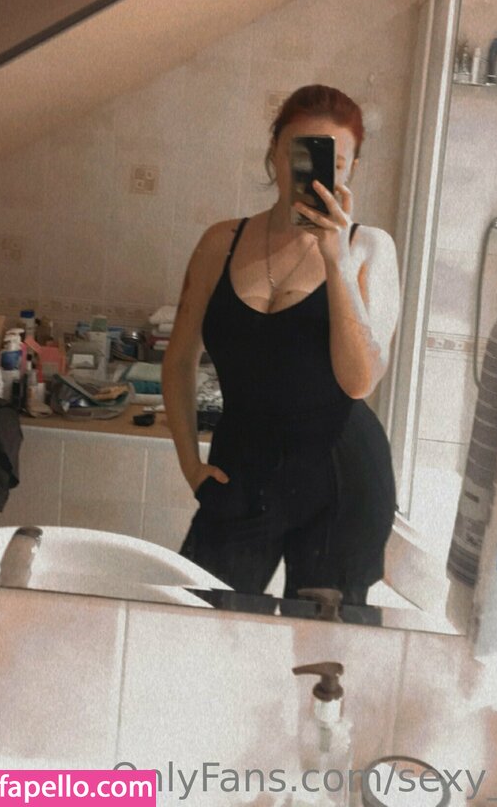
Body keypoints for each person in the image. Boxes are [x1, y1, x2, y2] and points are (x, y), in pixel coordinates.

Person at [162, 84, 400, 605]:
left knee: (317, 642)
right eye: (300, 154)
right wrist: (189, 463)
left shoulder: (368, 248)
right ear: (274, 152)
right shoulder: (220, 242)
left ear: (351, 170)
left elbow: (359, 382)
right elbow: (178, 361)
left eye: (334, 163)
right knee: (199, 619)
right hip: (241, 468)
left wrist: (336, 261)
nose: (311, 174)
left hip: (341, 479)